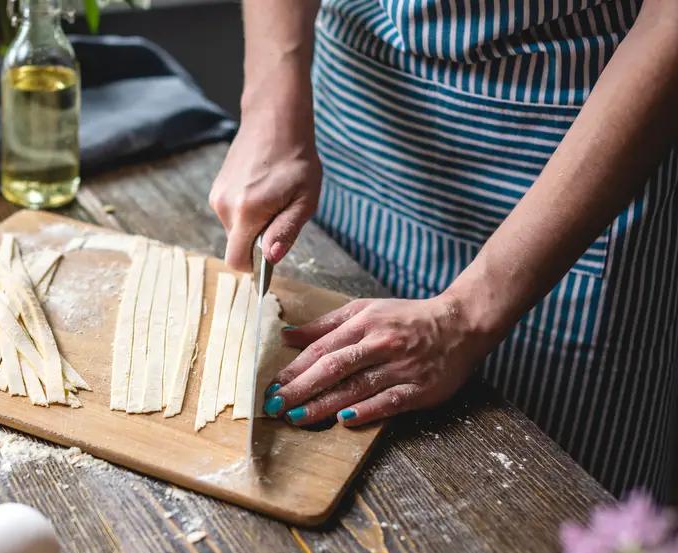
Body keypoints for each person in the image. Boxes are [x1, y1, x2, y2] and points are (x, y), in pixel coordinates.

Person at [210, 0, 677, 501]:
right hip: (356, 112)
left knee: (553, 513)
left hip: (573, 162)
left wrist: (469, 313)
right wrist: (269, 112)